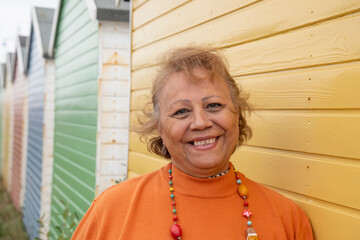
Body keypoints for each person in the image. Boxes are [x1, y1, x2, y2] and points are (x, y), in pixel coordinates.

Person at [71, 47, 313, 239]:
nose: (201, 122)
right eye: (181, 111)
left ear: (237, 114)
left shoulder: (288, 220)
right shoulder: (112, 210)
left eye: (214, 105)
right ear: (159, 128)